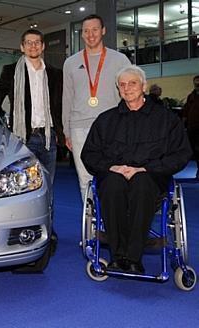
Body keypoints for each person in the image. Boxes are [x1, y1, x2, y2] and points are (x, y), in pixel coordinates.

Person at [81, 65, 192, 274]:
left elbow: (181, 154)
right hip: (115, 176)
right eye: (122, 84)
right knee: (112, 185)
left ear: (144, 86)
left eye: (132, 83)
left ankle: (133, 257)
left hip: (151, 178)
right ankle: (118, 255)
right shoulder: (106, 120)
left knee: (141, 184)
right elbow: (89, 154)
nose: (127, 88)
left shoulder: (166, 119)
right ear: (118, 89)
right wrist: (111, 167)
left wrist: (146, 168)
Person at [0, 29, 63, 186]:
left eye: (37, 42)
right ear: (22, 47)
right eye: (29, 42)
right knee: (24, 185)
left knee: (48, 184)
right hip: (23, 137)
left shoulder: (55, 73)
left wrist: (62, 133)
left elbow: (59, 104)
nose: (33, 46)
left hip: (49, 137)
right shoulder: (11, 71)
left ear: (43, 46)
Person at [62, 14, 131, 200]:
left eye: (94, 30)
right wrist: (66, 130)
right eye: (86, 31)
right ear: (81, 34)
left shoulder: (120, 60)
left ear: (103, 31)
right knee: (85, 178)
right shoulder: (71, 63)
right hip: (79, 126)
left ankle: (113, 219)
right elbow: (67, 97)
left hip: (112, 127)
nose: (90, 35)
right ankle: (92, 224)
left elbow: (130, 93)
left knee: (113, 175)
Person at [182, 75, 199, 179]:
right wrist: (184, 120)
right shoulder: (191, 96)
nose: (197, 84)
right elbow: (186, 110)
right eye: (195, 82)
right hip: (192, 128)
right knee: (195, 151)